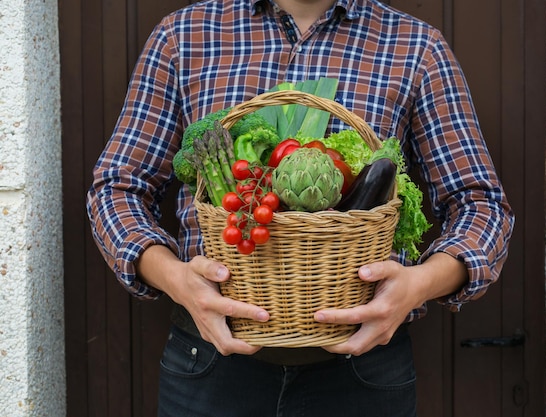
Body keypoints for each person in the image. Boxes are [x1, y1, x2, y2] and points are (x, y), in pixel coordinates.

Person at [87, 0, 514, 415]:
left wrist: (418, 284)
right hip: (209, 358)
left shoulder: (416, 46)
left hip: (363, 367)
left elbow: (482, 205)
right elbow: (116, 189)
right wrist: (176, 278)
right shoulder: (183, 35)